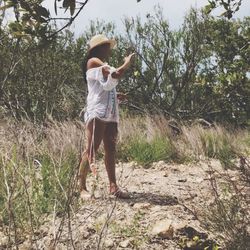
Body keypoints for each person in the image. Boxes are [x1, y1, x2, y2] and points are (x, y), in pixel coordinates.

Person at [79, 34, 135, 199]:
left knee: (110, 148)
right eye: (107, 46)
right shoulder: (94, 61)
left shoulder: (101, 64)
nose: (109, 50)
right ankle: (80, 186)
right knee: (91, 149)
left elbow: (104, 86)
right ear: (99, 48)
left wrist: (117, 96)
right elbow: (116, 74)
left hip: (109, 112)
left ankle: (113, 186)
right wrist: (127, 62)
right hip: (97, 112)